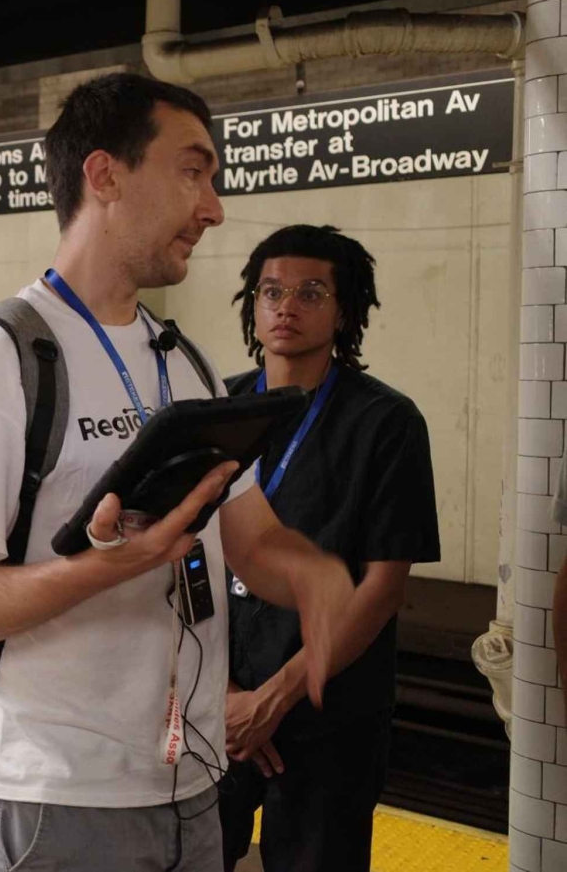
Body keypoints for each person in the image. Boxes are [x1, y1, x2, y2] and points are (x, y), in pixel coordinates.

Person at [0, 73, 355, 872]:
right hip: (53, 801)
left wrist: (319, 578)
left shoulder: (184, 364)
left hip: (191, 789)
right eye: (193, 172)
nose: (213, 207)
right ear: (105, 176)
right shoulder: (3, 361)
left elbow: (253, 541)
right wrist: (105, 566)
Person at [217, 224, 440, 872]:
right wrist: (222, 694)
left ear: (344, 312)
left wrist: (273, 699)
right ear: (253, 305)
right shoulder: (216, 408)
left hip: (327, 711)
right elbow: (174, 564)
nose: (286, 306)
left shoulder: (386, 422)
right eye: (271, 291)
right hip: (217, 708)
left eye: (311, 292)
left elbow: (382, 588)